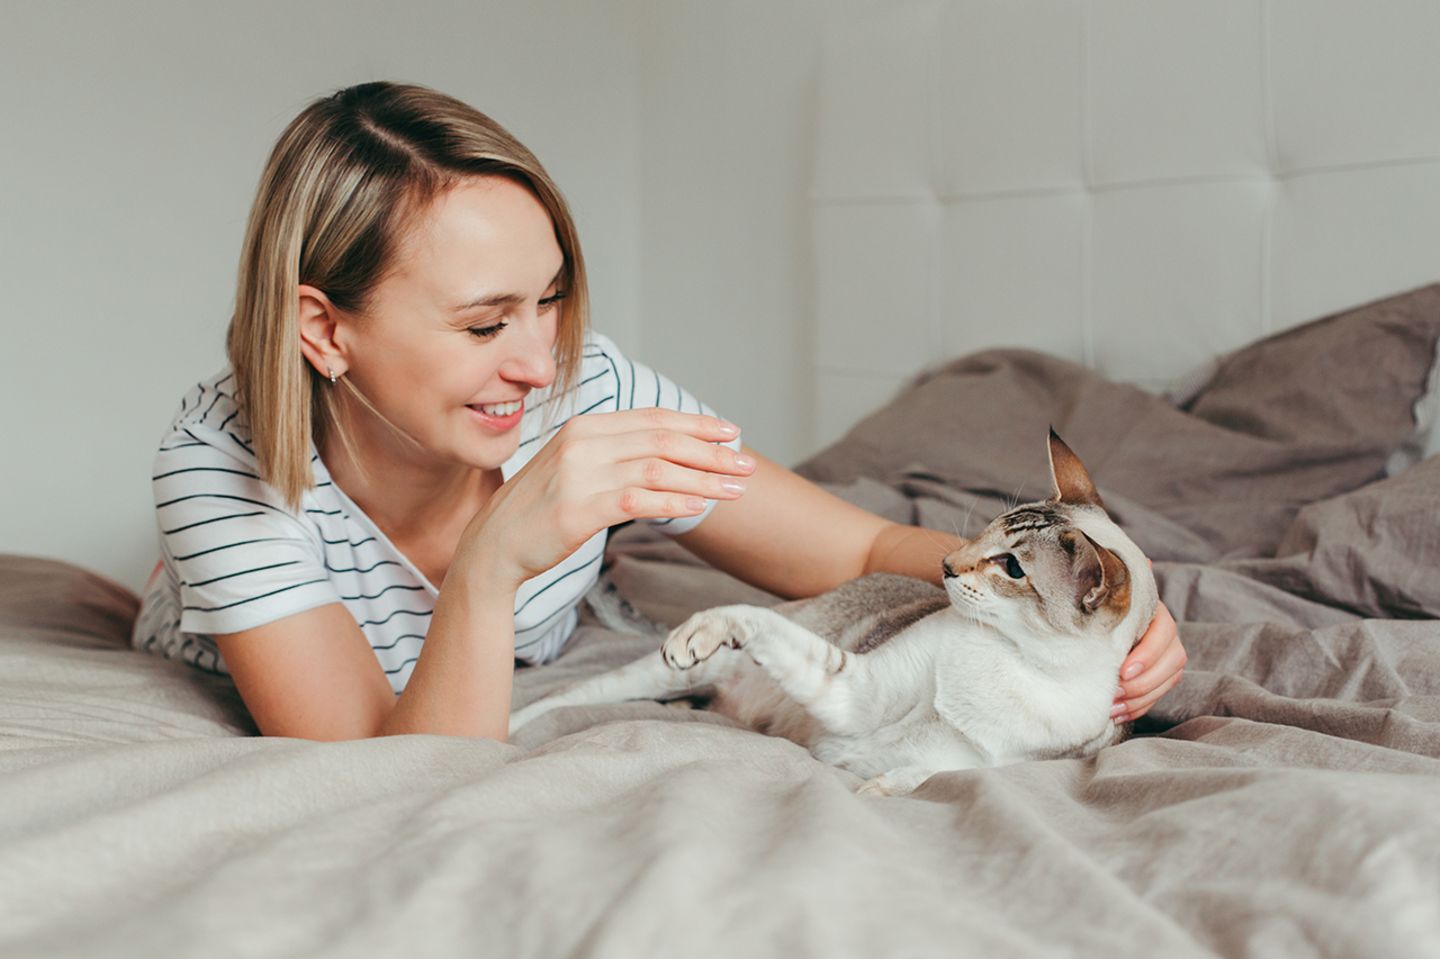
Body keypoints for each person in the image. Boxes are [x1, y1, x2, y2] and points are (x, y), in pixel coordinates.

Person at [132, 81, 1186, 741]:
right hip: (252, 618)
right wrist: (496, 556)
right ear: (323, 331)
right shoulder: (217, 472)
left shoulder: (588, 384)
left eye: (549, 299)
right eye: (483, 322)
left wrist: (1103, 610)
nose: (540, 362)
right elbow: (389, 770)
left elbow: (850, 541)